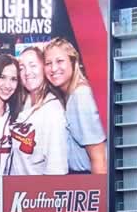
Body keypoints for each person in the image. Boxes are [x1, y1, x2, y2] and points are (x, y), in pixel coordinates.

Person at [43, 37, 107, 176]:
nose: (53, 68)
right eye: (48, 63)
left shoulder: (81, 95)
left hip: (88, 177)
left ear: (73, 62)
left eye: (60, 61)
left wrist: (99, 194)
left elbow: (99, 159)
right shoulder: (69, 95)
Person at [7, 47, 67, 175]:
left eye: (33, 65)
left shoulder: (53, 111)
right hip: (12, 189)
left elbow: (57, 169)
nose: (27, 72)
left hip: (34, 192)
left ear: (44, 68)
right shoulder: (21, 103)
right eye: (22, 68)